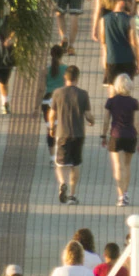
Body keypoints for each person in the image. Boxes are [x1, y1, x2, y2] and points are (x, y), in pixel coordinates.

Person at [50, 67, 93, 204]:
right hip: (78, 134)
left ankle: (63, 183)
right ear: (77, 78)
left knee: (60, 165)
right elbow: (88, 115)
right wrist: (91, 121)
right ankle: (72, 195)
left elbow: (52, 114)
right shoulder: (83, 94)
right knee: (75, 165)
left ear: (65, 77)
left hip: (62, 133)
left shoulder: (58, 93)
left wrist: (52, 127)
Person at [104, 73, 139, 206]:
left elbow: (106, 120)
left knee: (117, 166)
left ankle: (120, 195)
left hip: (115, 136)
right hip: (130, 136)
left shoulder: (111, 101)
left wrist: (104, 135)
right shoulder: (134, 102)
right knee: (127, 166)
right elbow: (137, 123)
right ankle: (125, 194)